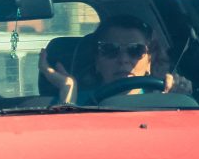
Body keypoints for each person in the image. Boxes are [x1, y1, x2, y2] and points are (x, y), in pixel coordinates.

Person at [39, 14, 191, 104]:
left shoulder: (164, 100)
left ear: (149, 61)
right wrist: (68, 89)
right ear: (97, 61)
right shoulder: (74, 100)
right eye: (110, 49)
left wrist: (180, 99)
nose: (123, 59)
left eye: (135, 50)